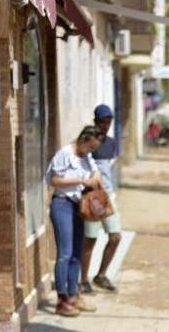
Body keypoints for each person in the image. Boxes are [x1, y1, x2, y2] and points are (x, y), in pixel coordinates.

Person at [44, 126, 103, 317]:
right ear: (83, 140)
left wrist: (94, 178)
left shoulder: (86, 157)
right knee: (65, 253)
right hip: (62, 204)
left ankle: (73, 294)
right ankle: (62, 299)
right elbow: (54, 180)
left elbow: (96, 173)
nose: (90, 151)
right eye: (90, 147)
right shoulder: (65, 154)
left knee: (77, 254)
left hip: (79, 207)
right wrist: (80, 181)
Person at [80, 105, 122, 294]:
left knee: (115, 236)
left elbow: (108, 170)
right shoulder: (89, 142)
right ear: (96, 121)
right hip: (92, 197)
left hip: (108, 198)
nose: (105, 126)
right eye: (102, 122)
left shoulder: (112, 143)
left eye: (108, 122)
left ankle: (101, 275)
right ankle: (83, 279)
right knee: (90, 239)